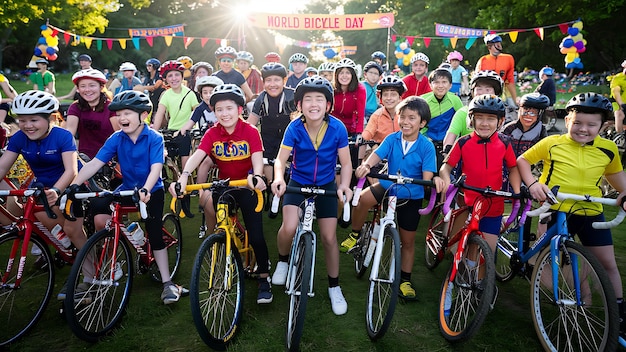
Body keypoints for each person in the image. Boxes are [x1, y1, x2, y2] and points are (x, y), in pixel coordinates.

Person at [517, 92, 626, 337]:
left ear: (603, 125)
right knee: (556, 259)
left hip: (589, 210)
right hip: (554, 208)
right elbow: (523, 160)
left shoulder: (608, 149)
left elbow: (617, 178)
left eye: (591, 124)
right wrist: (534, 184)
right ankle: (579, 297)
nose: (583, 129)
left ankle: (618, 311)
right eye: (577, 122)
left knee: (607, 263)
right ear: (567, 121)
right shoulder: (552, 142)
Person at [69, 90, 188, 304]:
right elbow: (96, 163)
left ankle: (167, 282)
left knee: (154, 233)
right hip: (126, 188)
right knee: (100, 211)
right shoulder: (116, 138)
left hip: (152, 189)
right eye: (119, 114)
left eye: (128, 113)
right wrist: (74, 184)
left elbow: (155, 168)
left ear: (143, 115)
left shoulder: (153, 137)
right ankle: (117, 252)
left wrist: (147, 189)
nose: (122, 118)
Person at [169, 84, 272, 304]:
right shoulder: (213, 132)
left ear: (240, 110)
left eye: (229, 108)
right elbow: (199, 154)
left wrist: (257, 176)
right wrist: (185, 176)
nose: (224, 113)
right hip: (225, 186)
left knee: (256, 235)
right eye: (219, 109)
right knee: (221, 226)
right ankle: (228, 254)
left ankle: (264, 277)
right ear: (214, 112)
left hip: (246, 186)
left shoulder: (250, 131)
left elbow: (257, 157)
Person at [343, 96, 443, 299]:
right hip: (389, 186)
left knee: (408, 242)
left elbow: (427, 176)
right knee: (362, 199)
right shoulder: (392, 138)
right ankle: (355, 235)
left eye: (412, 118)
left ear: (422, 123)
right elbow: (377, 155)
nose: (405, 122)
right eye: (402, 117)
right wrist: (366, 165)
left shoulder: (426, 146)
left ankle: (405, 280)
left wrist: (430, 181)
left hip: (411, 194)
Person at [270, 76, 353, 315]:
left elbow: (346, 164)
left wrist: (344, 185)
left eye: (320, 99)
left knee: (329, 237)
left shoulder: (337, 127)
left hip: (326, 184)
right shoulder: (294, 127)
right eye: (308, 99)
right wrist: (278, 178)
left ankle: (334, 287)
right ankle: (283, 261)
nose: (313, 104)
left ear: (328, 105)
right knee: (289, 226)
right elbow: (280, 160)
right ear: (299, 105)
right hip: (298, 182)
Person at [0, 91, 87, 298]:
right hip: (43, 187)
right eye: (22, 120)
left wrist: (57, 190)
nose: (27, 125)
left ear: (49, 118)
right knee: (38, 217)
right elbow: (2, 168)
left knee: (73, 230)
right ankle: (65, 248)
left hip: (71, 184)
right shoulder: (19, 138)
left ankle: (89, 270)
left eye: (34, 120)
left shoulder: (62, 135)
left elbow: (71, 171)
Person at [439, 94, 521, 253]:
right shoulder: (463, 142)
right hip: (465, 202)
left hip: (493, 204)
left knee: (486, 253)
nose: (484, 123)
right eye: (479, 118)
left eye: (491, 118)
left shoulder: (505, 143)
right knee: (455, 249)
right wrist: (446, 182)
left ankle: (473, 274)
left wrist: (516, 192)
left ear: (500, 121)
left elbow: (513, 168)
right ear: (471, 120)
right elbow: (446, 167)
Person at [247, 63, 296, 184]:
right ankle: (270, 187)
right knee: (270, 178)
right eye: (268, 80)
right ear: (263, 83)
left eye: (277, 80)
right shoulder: (261, 99)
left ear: (284, 80)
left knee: (289, 177)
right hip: (267, 142)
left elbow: (300, 121)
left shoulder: (292, 96)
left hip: (289, 141)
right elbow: (250, 125)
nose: (272, 84)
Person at [151, 60, 200, 169]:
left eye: (177, 75)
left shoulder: (189, 93)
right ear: (166, 79)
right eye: (170, 76)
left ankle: (185, 176)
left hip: (187, 132)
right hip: (171, 131)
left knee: (185, 149)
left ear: (182, 77)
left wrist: (191, 126)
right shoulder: (166, 95)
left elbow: (197, 112)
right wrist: (153, 132)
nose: (174, 78)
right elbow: (160, 113)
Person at [442, 70, 504, 155]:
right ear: (472, 91)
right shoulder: (463, 113)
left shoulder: (500, 113)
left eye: (488, 89)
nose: (483, 92)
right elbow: (450, 138)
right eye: (479, 89)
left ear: (496, 93)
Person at [178, 75, 224, 184]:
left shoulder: (222, 106)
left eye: (211, 92)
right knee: (203, 163)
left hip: (223, 139)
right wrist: (182, 131)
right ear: (201, 94)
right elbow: (191, 122)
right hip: (207, 141)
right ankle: (200, 188)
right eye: (205, 92)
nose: (208, 95)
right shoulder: (200, 108)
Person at [65, 69, 118, 159]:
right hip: (84, 157)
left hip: (109, 157)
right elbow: (70, 133)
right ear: (78, 89)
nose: (87, 90)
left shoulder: (111, 107)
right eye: (83, 86)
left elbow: (119, 134)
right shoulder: (75, 107)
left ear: (101, 87)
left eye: (92, 85)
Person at [420, 68, 463, 166]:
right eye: (436, 82)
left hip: (448, 143)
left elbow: (463, 121)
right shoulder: (423, 100)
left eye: (444, 82)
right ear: (430, 85)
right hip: (427, 141)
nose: (440, 86)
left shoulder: (455, 100)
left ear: (450, 85)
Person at [330, 58, 366, 168]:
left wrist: (359, 133)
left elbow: (360, 112)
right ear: (336, 75)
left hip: (351, 127)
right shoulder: (331, 88)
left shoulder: (360, 89)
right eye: (341, 72)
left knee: (352, 156)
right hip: (334, 125)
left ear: (353, 75)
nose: (344, 76)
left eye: (348, 73)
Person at [360, 75, 406, 144]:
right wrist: (372, 145)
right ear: (381, 97)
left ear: (400, 98)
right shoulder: (376, 116)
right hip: (382, 152)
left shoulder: (407, 115)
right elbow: (366, 135)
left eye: (393, 94)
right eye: (385, 94)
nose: (389, 98)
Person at [475, 34, 518, 105]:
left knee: (511, 106)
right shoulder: (483, 60)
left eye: (500, 45)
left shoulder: (509, 58)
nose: (499, 47)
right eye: (497, 45)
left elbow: (510, 80)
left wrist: (515, 99)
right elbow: (477, 81)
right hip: (487, 91)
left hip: (502, 89)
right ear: (489, 47)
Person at [610, 60, 626, 133]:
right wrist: (621, 104)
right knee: (619, 114)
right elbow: (616, 92)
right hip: (618, 103)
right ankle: (619, 136)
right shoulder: (618, 78)